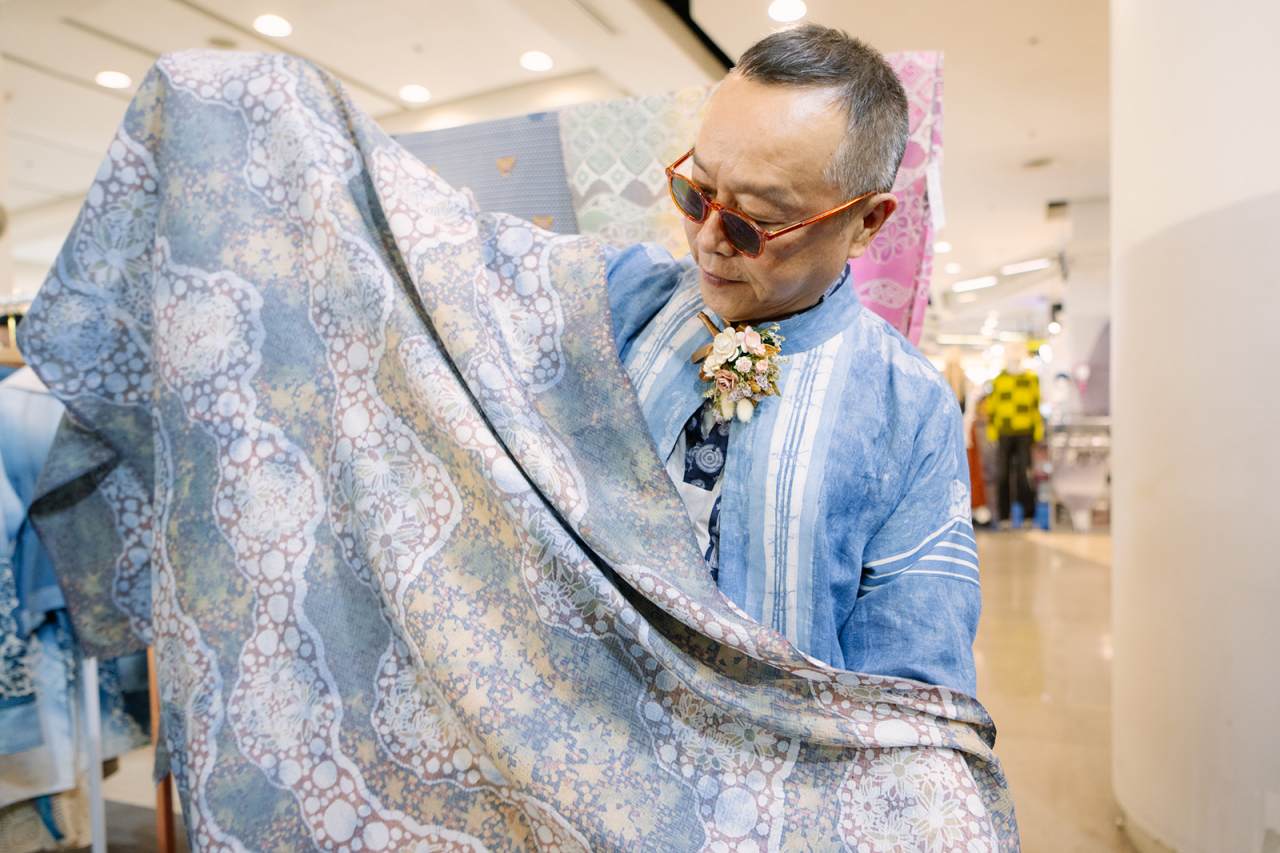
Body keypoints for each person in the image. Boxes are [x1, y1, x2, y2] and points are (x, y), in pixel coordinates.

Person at [604, 24, 980, 696]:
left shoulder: (907, 407)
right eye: (696, 193)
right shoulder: (628, 301)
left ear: (865, 222)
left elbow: (914, 681)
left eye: (754, 219)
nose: (708, 241)